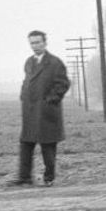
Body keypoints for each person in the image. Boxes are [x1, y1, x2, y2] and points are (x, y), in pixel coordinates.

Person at [11, 30, 70, 186]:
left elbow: (63, 84)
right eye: (32, 43)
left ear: (45, 42)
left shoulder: (55, 62)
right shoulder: (29, 62)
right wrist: (23, 96)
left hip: (46, 112)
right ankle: (24, 177)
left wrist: (49, 101)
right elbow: (27, 81)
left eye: (38, 42)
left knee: (48, 146)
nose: (35, 46)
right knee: (26, 143)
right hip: (30, 110)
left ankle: (49, 178)